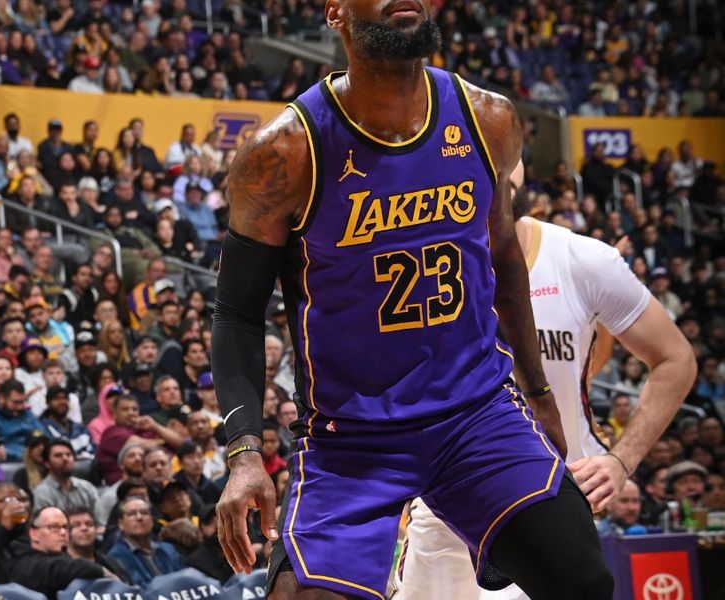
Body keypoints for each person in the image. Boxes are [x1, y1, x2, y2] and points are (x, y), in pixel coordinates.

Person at [210, 5, 652, 598]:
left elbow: (503, 258)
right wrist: (243, 454)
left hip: (476, 414)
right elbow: (237, 311)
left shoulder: (488, 118)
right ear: (335, 12)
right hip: (351, 439)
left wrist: (540, 391)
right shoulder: (283, 152)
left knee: (583, 580)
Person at [399, 161, 696, 598]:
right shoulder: (416, 264)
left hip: (549, 495)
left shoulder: (582, 259)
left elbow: (675, 357)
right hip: (445, 505)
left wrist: (621, 460)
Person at [9, 506, 106, 598]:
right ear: (34, 534)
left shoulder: (63, 556)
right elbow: (57, 568)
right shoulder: (26, 562)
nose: (63, 532)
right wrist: (103, 572)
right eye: (54, 527)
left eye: (65, 527)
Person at [105, 496, 185, 587]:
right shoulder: (116, 556)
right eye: (132, 514)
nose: (139, 518)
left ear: (152, 520)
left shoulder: (169, 549)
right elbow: (138, 589)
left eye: (144, 513)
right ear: (121, 524)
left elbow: (185, 579)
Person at [0, 379, 44, 462]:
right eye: (16, 402)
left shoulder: (27, 413)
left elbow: (43, 435)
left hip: (34, 459)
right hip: (7, 462)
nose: (20, 406)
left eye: (22, 402)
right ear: (1, 398)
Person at [32, 439, 99, 514]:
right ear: (47, 463)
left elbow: (99, 520)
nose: (65, 458)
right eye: (58, 455)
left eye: (68, 455)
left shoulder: (87, 488)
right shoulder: (42, 493)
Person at [67, 507, 130, 583]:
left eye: (89, 524)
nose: (84, 528)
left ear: (96, 530)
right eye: (77, 525)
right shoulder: (60, 567)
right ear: (67, 532)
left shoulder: (112, 564)